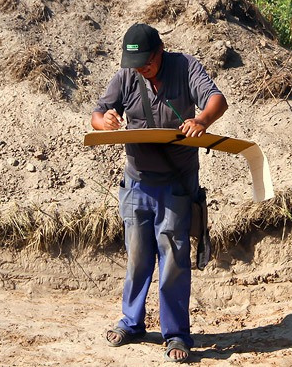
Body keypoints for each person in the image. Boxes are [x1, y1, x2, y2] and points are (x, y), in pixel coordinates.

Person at [91, 23, 228, 363]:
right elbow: (97, 114)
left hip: (177, 185)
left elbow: (217, 100)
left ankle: (177, 334)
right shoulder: (126, 75)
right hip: (136, 182)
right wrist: (105, 121)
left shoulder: (185, 67)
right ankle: (131, 322)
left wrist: (201, 121)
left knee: (174, 262)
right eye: (135, 65)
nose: (140, 70)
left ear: (159, 52)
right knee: (137, 257)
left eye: (146, 64)